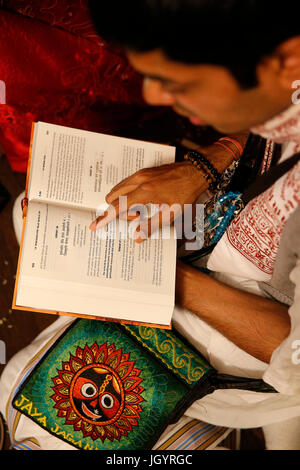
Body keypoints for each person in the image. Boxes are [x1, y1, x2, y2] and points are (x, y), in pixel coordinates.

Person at [86, 0, 300, 449]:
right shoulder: (283, 75)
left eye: (176, 81)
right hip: (213, 227)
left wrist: (161, 273)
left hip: (249, 324)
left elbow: (289, 350)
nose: (153, 97)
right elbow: (269, 116)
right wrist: (205, 164)